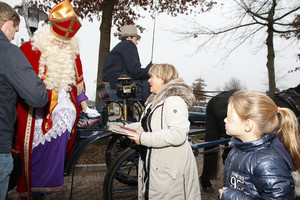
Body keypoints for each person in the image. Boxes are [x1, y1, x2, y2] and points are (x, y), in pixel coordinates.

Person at [13, 0, 99, 199]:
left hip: (60, 115)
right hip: (34, 114)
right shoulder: (29, 49)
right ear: (48, 34)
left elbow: (79, 84)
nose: (61, 45)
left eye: (64, 42)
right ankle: (32, 191)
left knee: (51, 157)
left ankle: (43, 190)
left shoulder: (72, 55)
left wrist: (85, 107)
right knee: (29, 157)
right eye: (57, 40)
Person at [125, 64, 201, 199]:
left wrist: (143, 138)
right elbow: (147, 126)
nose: (148, 80)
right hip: (157, 166)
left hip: (170, 171)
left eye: (152, 77)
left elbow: (177, 135)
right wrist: (124, 128)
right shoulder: (154, 102)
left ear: (163, 79)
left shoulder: (174, 101)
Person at [0, 2, 48, 199]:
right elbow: (37, 96)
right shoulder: (7, 52)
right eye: (14, 31)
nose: (13, 37)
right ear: (8, 24)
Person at [219, 90, 300, 199]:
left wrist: (232, 196)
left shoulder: (268, 163)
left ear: (248, 125)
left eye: (229, 117)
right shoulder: (235, 151)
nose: (225, 120)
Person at [102, 25, 151, 104]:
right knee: (149, 85)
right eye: (135, 39)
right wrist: (150, 72)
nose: (136, 43)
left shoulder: (119, 48)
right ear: (129, 37)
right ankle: (151, 111)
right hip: (121, 84)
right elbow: (136, 72)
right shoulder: (128, 45)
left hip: (113, 82)